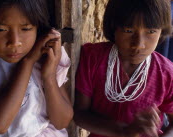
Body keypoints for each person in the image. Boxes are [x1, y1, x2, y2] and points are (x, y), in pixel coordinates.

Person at [0, 0, 73, 136]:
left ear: (38, 27)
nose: (15, 42)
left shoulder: (46, 58)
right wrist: (27, 62)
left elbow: (62, 122)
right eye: (1, 29)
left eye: (26, 29)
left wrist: (49, 76)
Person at [74, 0, 173, 137]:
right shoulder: (93, 58)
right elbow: (80, 114)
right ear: (113, 28)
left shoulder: (166, 73)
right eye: (128, 30)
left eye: (151, 31)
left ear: (162, 31)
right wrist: (123, 131)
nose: (139, 44)